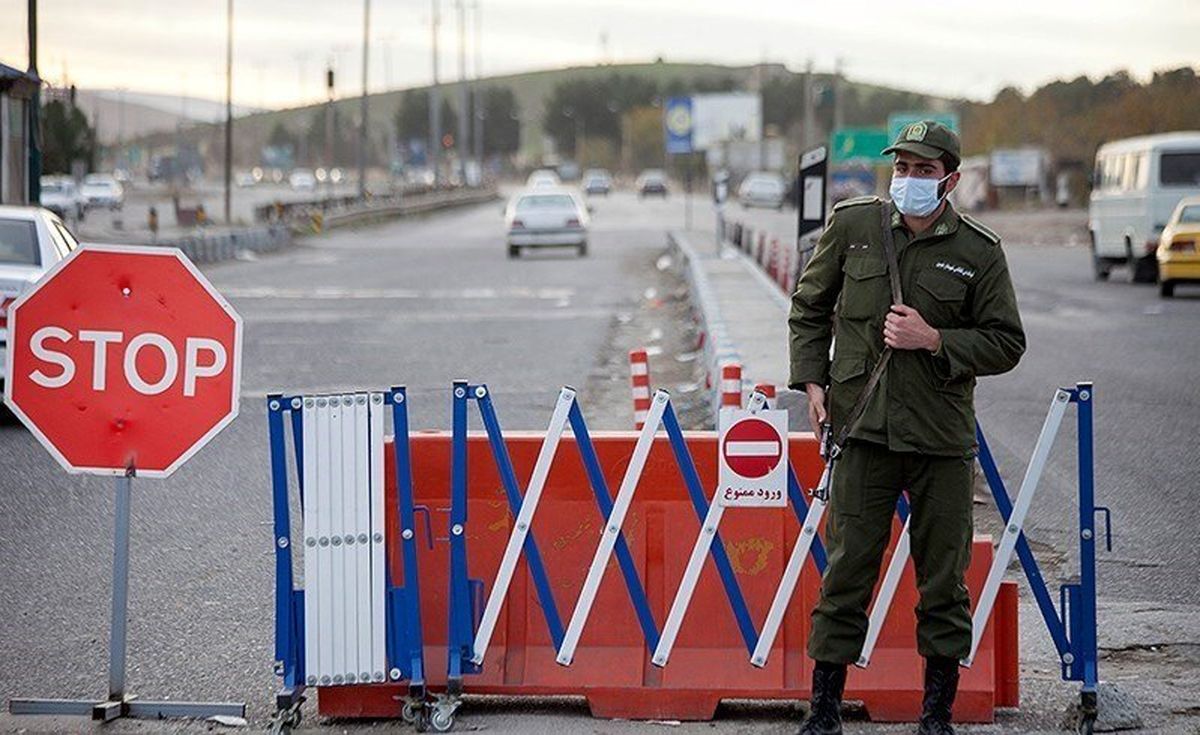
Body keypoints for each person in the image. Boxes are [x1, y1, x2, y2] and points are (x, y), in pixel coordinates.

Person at [787, 121, 1026, 735]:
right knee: (845, 572)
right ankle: (823, 713)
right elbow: (810, 306)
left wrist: (935, 338)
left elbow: (1007, 342)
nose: (910, 180)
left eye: (923, 171)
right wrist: (812, 384)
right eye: (902, 168)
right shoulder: (855, 226)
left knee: (943, 583)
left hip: (940, 440)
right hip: (863, 431)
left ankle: (936, 717)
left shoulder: (979, 252)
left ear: (950, 178)